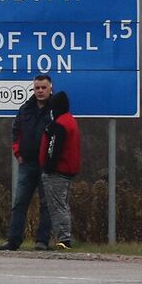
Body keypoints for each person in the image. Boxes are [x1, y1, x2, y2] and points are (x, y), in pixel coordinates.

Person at [0, 74, 54, 250]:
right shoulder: (25, 109)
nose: (40, 91)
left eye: (43, 87)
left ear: (50, 88)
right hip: (27, 164)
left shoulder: (56, 109)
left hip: (47, 166)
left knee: (47, 205)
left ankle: (42, 241)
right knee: (20, 203)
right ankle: (13, 240)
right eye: (37, 88)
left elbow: (63, 135)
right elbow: (15, 130)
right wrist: (17, 152)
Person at [40, 90, 81, 249]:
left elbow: (53, 148)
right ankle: (62, 237)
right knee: (62, 204)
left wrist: (48, 166)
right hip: (67, 169)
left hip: (58, 171)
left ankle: (64, 239)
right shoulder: (70, 120)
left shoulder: (59, 124)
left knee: (57, 205)